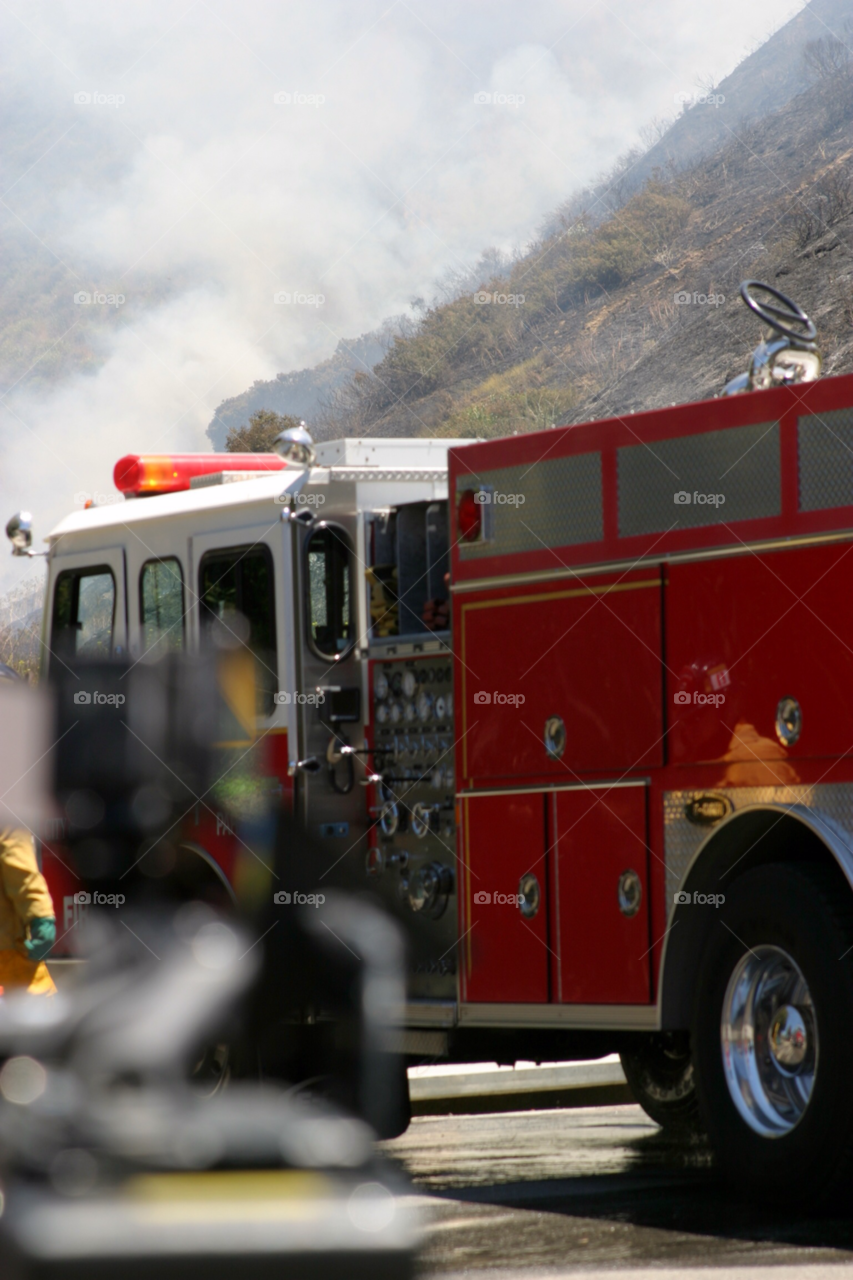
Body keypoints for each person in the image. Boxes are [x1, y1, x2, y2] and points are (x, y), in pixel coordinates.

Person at [0, 827, 56, 995]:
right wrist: (41, 917)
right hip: (8, 953)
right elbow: (23, 875)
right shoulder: (8, 822)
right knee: (36, 1012)